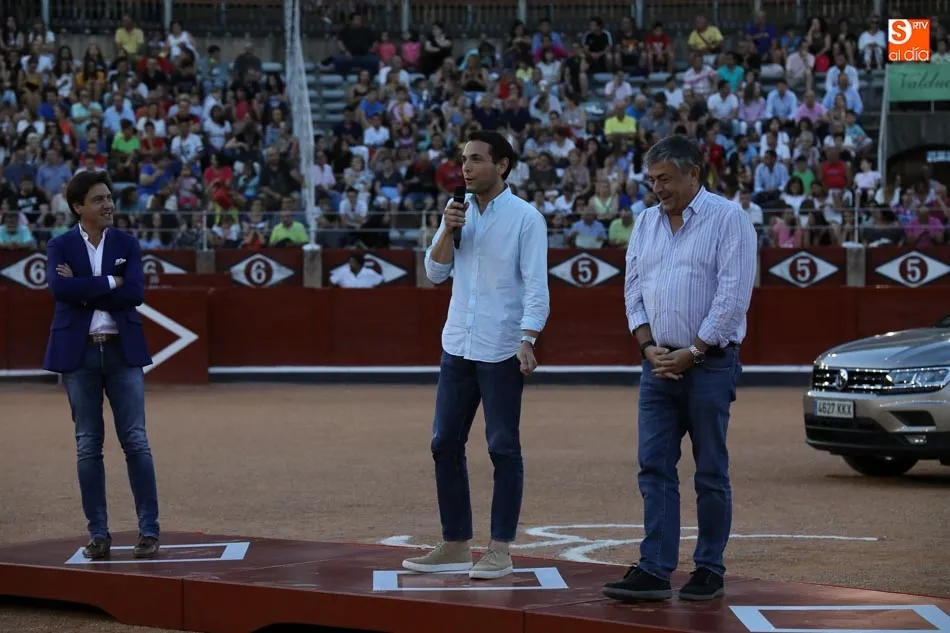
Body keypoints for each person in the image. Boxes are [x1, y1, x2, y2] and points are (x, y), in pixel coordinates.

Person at [602, 135, 757, 602]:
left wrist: (694, 350)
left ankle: (708, 569)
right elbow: (632, 291)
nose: (657, 189)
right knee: (653, 468)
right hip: (658, 365)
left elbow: (733, 298)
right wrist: (648, 347)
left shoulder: (730, 219)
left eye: (665, 179)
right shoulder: (645, 222)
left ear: (695, 174)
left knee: (710, 470)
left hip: (708, 364)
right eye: (652, 180)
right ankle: (655, 568)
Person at [401, 130, 550, 580]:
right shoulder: (456, 214)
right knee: (444, 443)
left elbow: (536, 283)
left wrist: (529, 339)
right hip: (458, 345)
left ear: (502, 165)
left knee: (502, 446)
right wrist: (447, 227)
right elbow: (434, 272)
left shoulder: (527, 218)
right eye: (464, 159)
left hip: (502, 347)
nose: (465, 167)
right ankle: (455, 544)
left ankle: (500, 548)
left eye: (477, 159)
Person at [42, 171, 161, 560]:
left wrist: (88, 287)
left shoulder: (127, 242)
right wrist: (112, 281)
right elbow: (60, 290)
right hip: (80, 355)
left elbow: (135, 294)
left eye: (109, 198)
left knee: (136, 442)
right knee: (88, 446)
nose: (108, 204)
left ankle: (148, 531)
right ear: (78, 207)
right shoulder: (59, 245)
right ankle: (99, 534)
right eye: (98, 199)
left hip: (122, 351)